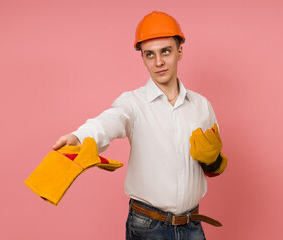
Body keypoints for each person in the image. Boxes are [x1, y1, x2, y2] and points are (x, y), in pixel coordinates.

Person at [52, 11, 227, 240]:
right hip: (148, 227)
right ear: (142, 58)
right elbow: (109, 121)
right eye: (149, 55)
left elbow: (211, 167)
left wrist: (212, 160)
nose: (159, 62)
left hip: (191, 224)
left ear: (179, 51)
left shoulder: (201, 106)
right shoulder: (132, 104)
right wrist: (79, 136)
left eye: (165, 51)